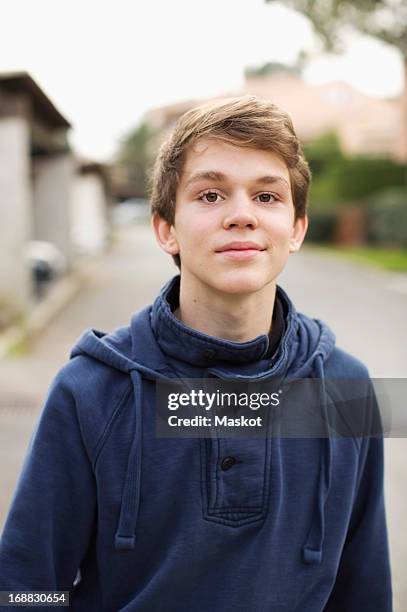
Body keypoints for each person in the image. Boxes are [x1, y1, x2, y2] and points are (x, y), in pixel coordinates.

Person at [0, 96, 392, 611]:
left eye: (267, 197)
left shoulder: (346, 389)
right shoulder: (91, 390)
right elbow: (27, 587)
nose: (241, 216)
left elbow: (362, 590)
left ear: (296, 228)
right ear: (166, 229)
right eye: (210, 195)